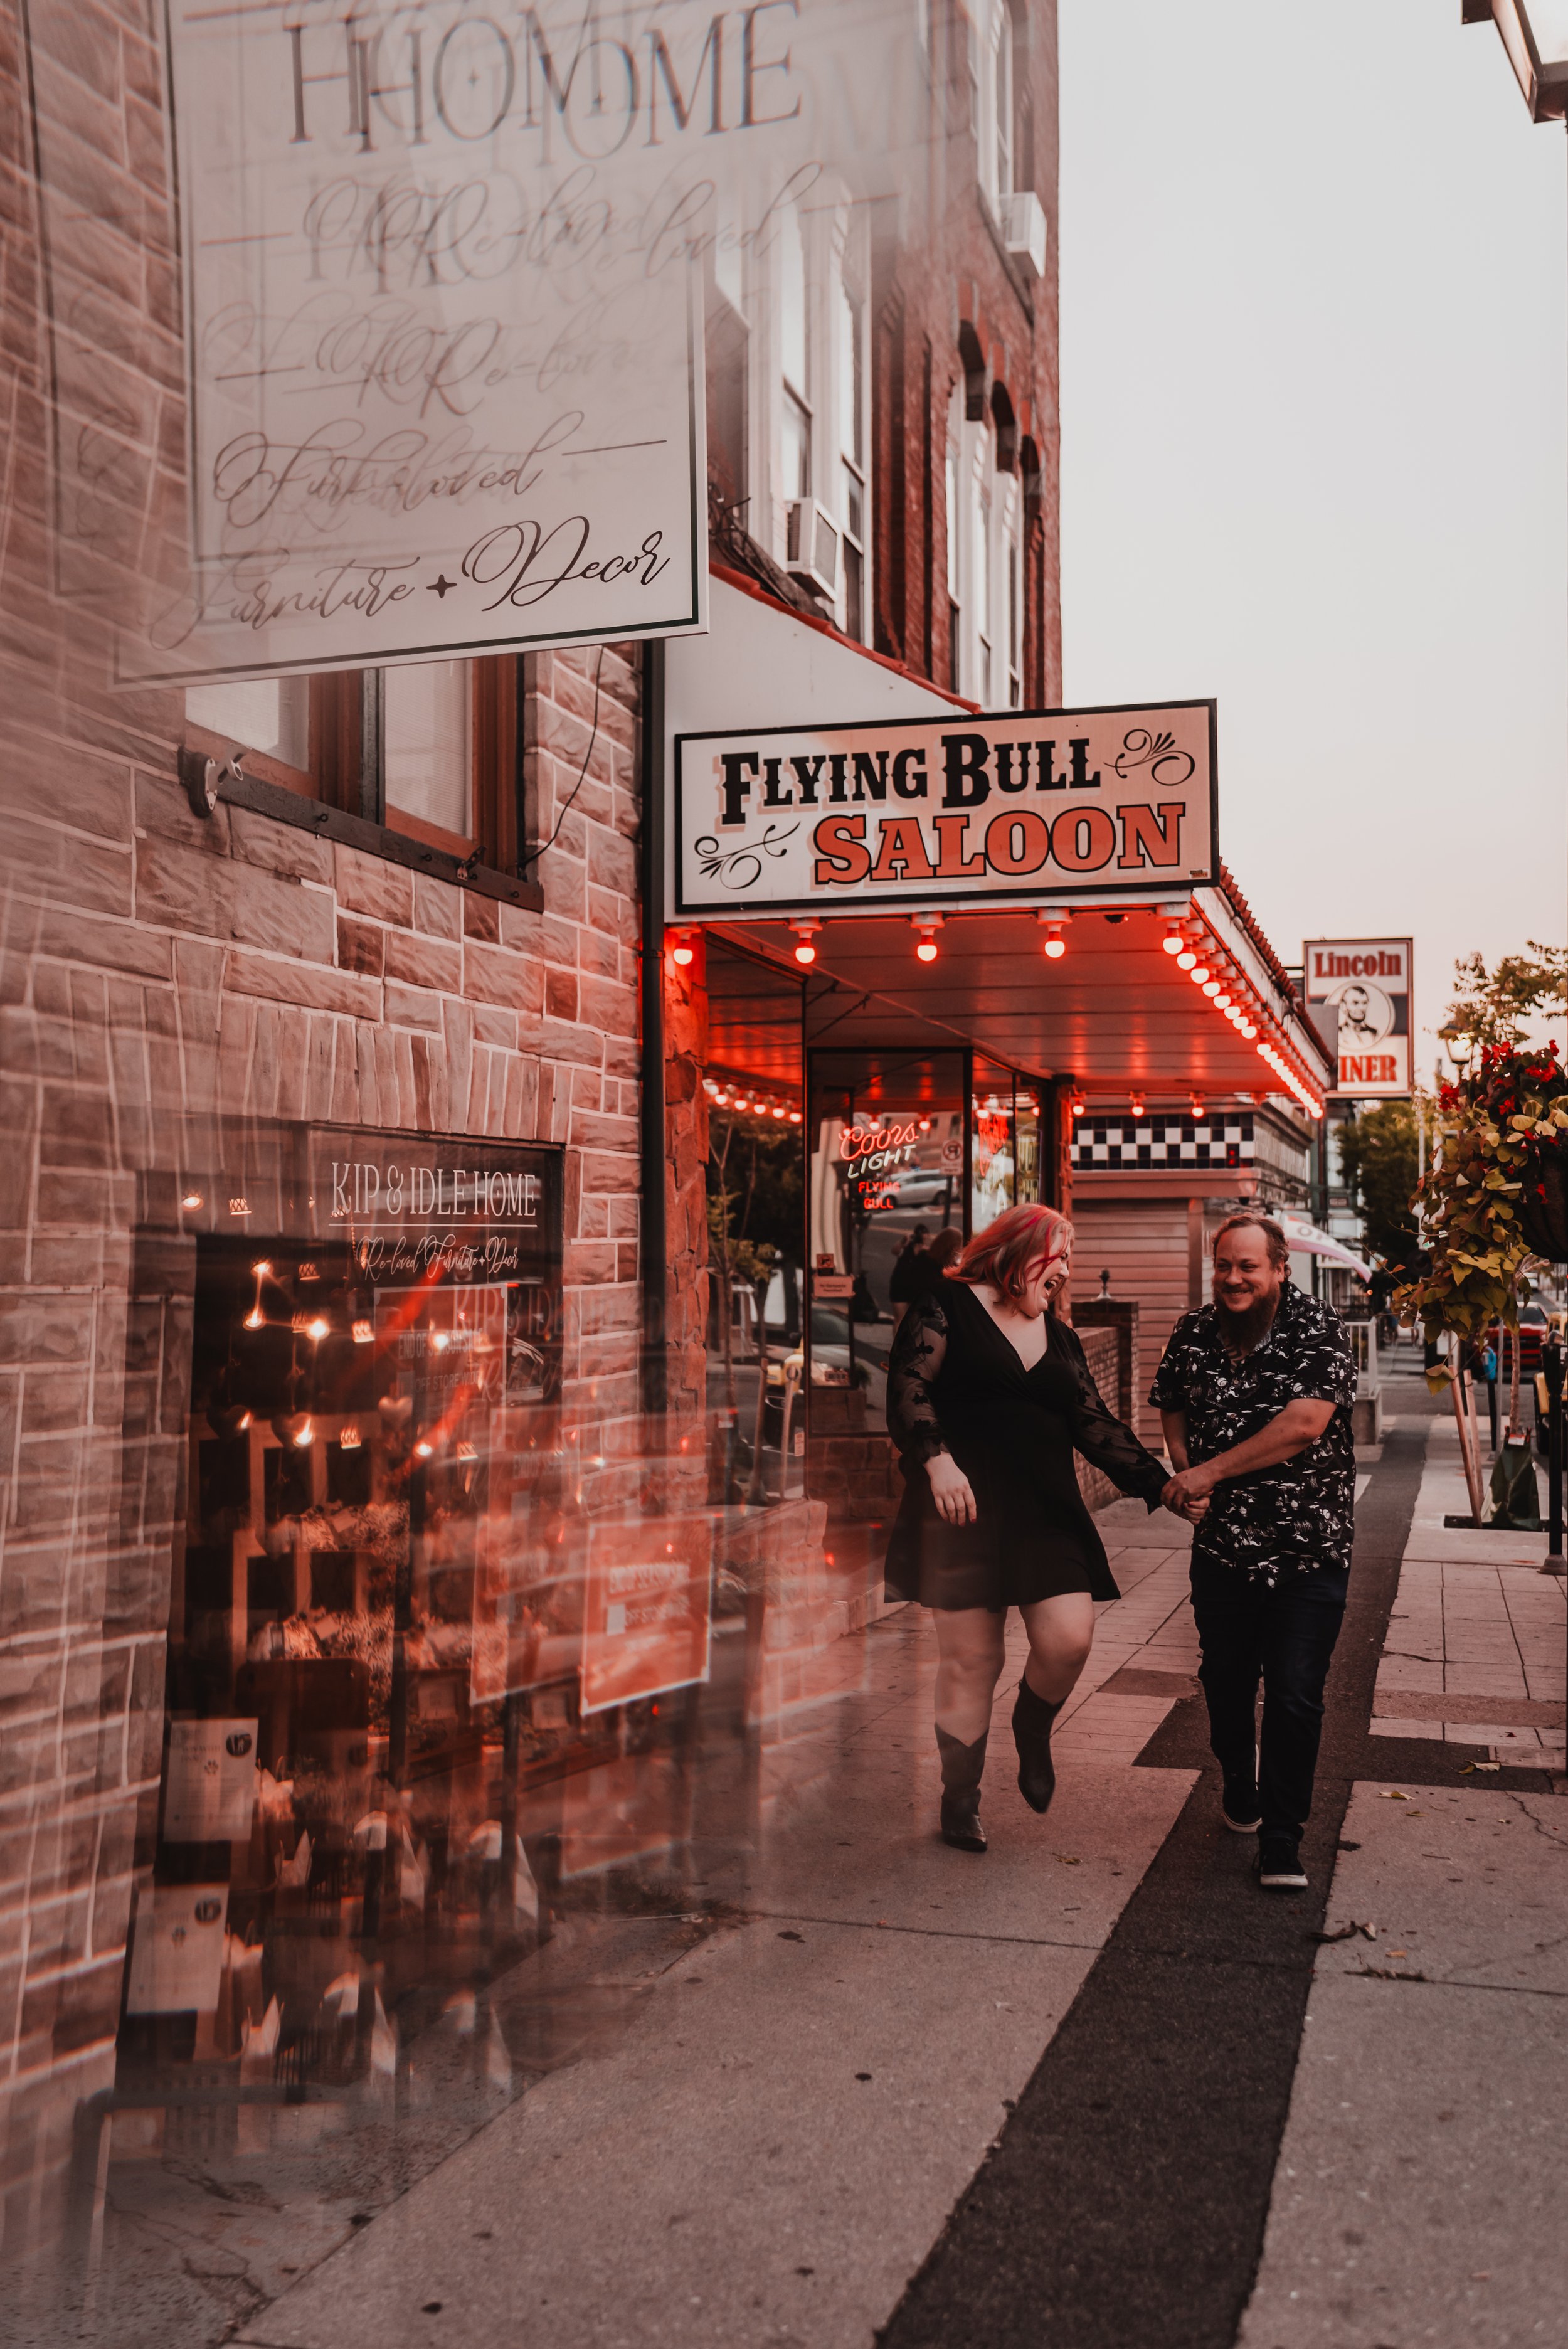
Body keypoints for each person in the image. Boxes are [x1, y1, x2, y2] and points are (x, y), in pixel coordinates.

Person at [884, 1202, 1172, 1852]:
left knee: (1069, 1638)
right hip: (961, 1511)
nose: (1066, 1270)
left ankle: (1032, 1723)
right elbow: (908, 1386)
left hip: (1046, 1511)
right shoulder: (944, 1306)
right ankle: (961, 1796)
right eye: (1059, 1254)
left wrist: (1161, 1485)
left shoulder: (1061, 1338)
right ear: (1020, 1251)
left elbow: (1094, 1425)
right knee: (972, 1660)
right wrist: (936, 1460)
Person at [1151, 1213, 1357, 1894]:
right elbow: (1171, 1401)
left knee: (1296, 1693)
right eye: (1223, 1266)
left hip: (1307, 1545)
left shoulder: (1316, 1327)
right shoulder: (1192, 1331)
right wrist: (1184, 1472)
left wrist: (1206, 1473)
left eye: (1247, 1267)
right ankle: (1239, 1777)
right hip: (1223, 1549)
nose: (1233, 1279)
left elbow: (1304, 1424)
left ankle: (1282, 1840)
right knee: (1227, 1678)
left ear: (1278, 1270)